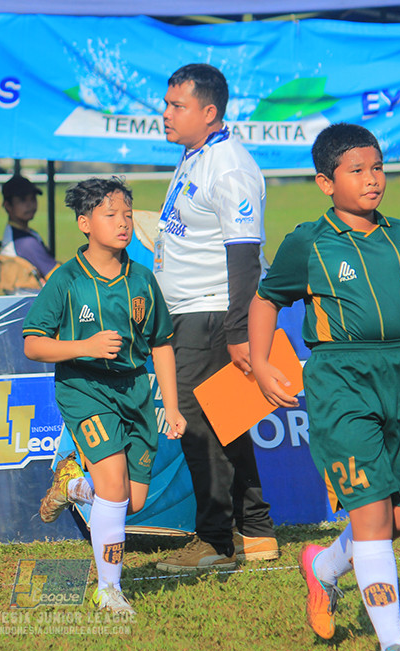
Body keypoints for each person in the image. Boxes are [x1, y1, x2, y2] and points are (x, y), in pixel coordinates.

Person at [249, 123, 400, 651]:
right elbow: (267, 300)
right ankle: (395, 646)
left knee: (399, 518)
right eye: (356, 171)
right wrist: (263, 364)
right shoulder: (307, 242)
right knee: (370, 518)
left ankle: (322, 567)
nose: (371, 179)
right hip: (341, 381)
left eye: (377, 167)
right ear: (325, 182)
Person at [24, 177, 185, 615]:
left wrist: (170, 406)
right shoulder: (66, 280)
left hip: (133, 393)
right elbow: (33, 343)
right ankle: (109, 590)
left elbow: (162, 344)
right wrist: (84, 347)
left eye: (128, 214)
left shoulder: (143, 279)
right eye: (111, 214)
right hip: (85, 390)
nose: (123, 223)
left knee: (130, 501)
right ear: (84, 223)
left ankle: (73, 484)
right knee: (113, 488)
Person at [153, 63, 278, 572]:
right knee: (227, 419)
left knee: (199, 424)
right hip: (190, 312)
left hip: (211, 315)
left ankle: (214, 541)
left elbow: (245, 257)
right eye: (166, 104)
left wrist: (236, 333)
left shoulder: (229, 168)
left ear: (209, 112)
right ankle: (257, 532)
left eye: (176, 106)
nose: (165, 114)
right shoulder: (196, 155)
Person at [0, 174, 59, 294]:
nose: (30, 204)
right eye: (22, 200)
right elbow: (58, 276)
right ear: (8, 205)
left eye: (33, 198)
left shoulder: (19, 233)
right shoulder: (25, 241)